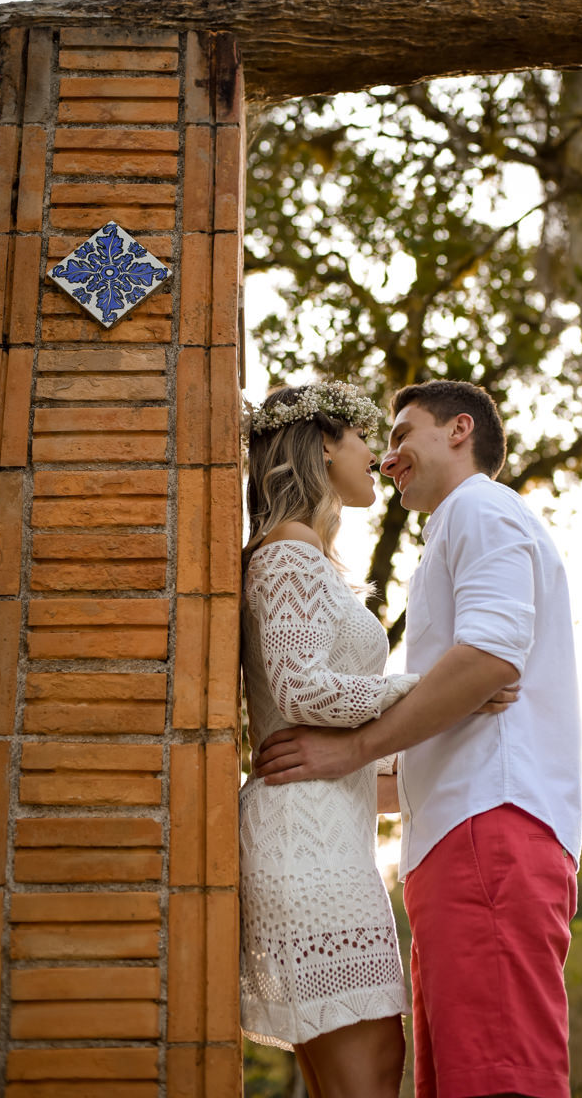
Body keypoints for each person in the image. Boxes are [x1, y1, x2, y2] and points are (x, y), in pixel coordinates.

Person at [257, 379, 582, 1098]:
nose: (389, 454)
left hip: (489, 828)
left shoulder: (479, 508)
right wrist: (334, 773)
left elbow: (493, 660)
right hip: (457, 839)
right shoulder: (451, 529)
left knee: (498, 1074)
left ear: (459, 431)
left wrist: (349, 750)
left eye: (402, 434)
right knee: (462, 1073)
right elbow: (442, 720)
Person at [239, 380, 419, 1098]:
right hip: (304, 843)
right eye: (364, 438)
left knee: (358, 1075)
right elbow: (302, 690)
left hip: (330, 835)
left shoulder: (306, 556)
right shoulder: (287, 551)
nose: (377, 454)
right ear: (322, 445)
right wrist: (424, 690)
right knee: (372, 1068)